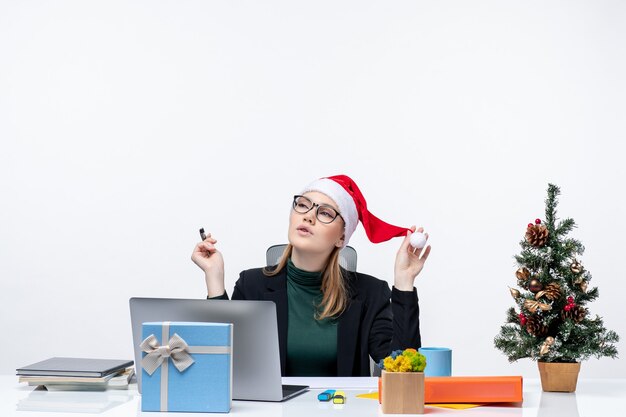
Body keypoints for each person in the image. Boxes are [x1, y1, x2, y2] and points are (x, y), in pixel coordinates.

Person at [191, 175, 431, 376]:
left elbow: (403, 371)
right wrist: (214, 279)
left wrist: (404, 282)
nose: (308, 216)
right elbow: (224, 368)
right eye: (303, 205)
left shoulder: (371, 294)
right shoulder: (251, 285)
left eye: (325, 213)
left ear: (341, 238)